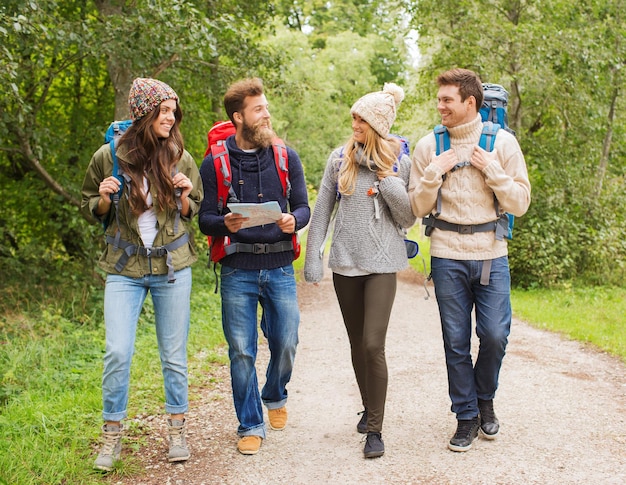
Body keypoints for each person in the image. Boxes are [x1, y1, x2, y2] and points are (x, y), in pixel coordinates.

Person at [81, 77, 203, 470]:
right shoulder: (108, 156)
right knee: (117, 351)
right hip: (124, 267)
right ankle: (111, 435)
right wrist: (102, 198)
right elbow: (89, 207)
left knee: (173, 356)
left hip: (171, 266)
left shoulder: (180, 157)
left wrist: (184, 196)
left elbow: (193, 210)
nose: (171, 117)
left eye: (173, 111)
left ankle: (177, 430)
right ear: (143, 113)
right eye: (164, 111)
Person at [409, 68, 531, 452]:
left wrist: (493, 171)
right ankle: (465, 416)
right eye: (440, 98)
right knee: (455, 341)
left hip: (491, 252)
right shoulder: (429, 145)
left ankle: (485, 400)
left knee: (494, 335)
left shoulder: (503, 144)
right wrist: (432, 175)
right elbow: (416, 206)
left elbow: (520, 203)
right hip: (446, 253)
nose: (440, 105)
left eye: (447, 99)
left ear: (470, 103)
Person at [198, 78, 310, 456]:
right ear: (239, 117)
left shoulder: (285, 156)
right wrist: (223, 224)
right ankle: (250, 423)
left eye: (266, 107)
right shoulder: (214, 163)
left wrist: (294, 220)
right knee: (242, 351)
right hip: (237, 269)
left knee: (287, 340)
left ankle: (275, 393)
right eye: (258, 109)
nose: (266, 114)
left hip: (279, 266)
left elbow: (303, 207)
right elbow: (205, 219)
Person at [304, 83, 416, 458]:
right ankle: (369, 409)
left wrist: (388, 182)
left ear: (378, 125)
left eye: (361, 118)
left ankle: (375, 430)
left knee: (373, 344)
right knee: (356, 345)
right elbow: (322, 209)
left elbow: (408, 217)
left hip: (383, 264)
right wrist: (312, 257)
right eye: (353, 116)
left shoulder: (399, 161)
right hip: (345, 264)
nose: (354, 123)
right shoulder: (340, 159)